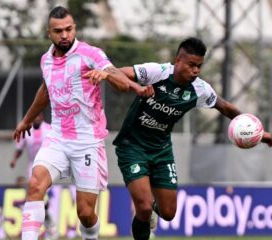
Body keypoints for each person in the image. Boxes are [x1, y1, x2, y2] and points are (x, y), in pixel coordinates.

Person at [113, 37, 272, 240]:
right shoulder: (156, 72)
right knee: (142, 209)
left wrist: (263, 134)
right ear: (178, 60)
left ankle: (154, 207)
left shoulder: (199, 89)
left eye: (199, 66)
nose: (196, 71)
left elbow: (226, 108)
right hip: (132, 146)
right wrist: (135, 87)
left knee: (169, 213)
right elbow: (116, 73)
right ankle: (146, 214)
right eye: (191, 65)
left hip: (161, 150)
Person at [13, 6, 131, 240]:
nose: (64, 35)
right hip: (57, 137)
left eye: (69, 29)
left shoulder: (91, 54)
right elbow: (45, 90)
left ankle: (90, 236)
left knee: (86, 214)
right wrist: (26, 120)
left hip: (87, 142)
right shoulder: (46, 60)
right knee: (36, 184)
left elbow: (124, 84)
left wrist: (107, 74)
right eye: (58, 31)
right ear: (49, 33)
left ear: (74, 28)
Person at [10, 113, 57, 239]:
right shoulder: (27, 130)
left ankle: (48, 227)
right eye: (34, 116)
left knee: (42, 199)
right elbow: (19, 148)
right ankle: (39, 229)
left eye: (38, 116)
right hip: (31, 167)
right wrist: (14, 159)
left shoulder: (49, 129)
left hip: (47, 167)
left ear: (41, 116)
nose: (36, 118)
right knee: (32, 200)